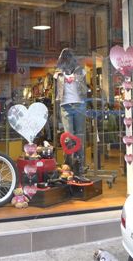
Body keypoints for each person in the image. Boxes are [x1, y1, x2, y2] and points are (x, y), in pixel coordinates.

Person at [54, 48, 87, 176]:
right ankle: (68, 164)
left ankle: (80, 165)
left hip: (79, 105)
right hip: (65, 105)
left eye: (69, 57)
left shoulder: (81, 71)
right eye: (65, 57)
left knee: (79, 136)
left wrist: (76, 79)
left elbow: (85, 90)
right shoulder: (58, 74)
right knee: (68, 137)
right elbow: (56, 94)